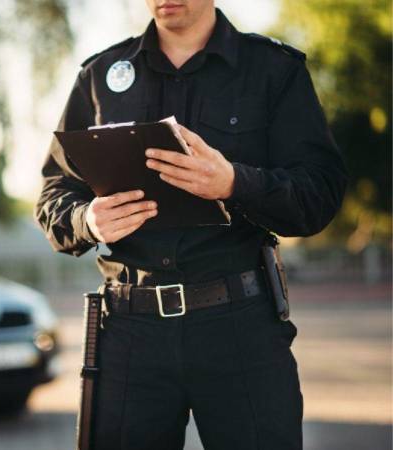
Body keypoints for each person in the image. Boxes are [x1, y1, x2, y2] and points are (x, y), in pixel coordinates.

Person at [34, 1, 349, 449]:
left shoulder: (272, 70)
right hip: (129, 334)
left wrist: (235, 182)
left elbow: (320, 193)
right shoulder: (99, 76)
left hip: (240, 328)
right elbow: (53, 194)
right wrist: (87, 220)